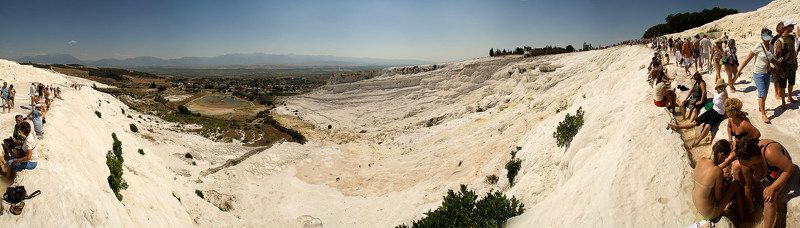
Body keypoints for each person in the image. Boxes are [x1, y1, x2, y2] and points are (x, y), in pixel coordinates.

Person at [732, 138, 795, 228]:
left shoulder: (770, 153)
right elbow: (747, 186)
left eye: (743, 162)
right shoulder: (746, 161)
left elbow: (790, 168)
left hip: (781, 170)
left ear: (751, 159)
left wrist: (772, 187)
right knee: (737, 167)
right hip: (765, 170)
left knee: (769, 198)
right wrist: (751, 209)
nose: (741, 163)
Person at [667, 79, 728, 148]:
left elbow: (727, 103)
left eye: (722, 86)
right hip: (712, 109)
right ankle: (678, 127)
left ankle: (697, 142)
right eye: (720, 86)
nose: (722, 87)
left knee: (707, 126)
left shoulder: (724, 93)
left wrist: (727, 113)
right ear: (717, 87)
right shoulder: (717, 91)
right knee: (695, 122)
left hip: (719, 113)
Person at [693, 140, 739, 222]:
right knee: (735, 184)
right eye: (725, 157)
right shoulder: (718, 171)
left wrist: (722, 178)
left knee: (725, 173)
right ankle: (742, 218)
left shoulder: (702, 160)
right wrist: (725, 184)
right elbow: (718, 197)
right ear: (721, 155)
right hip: (709, 213)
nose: (725, 160)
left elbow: (707, 177)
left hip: (697, 205)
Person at [737, 28, 777, 123]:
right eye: (765, 38)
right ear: (762, 37)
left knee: (765, 93)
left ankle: (760, 107)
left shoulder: (771, 47)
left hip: (767, 73)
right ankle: (763, 114)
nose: (767, 40)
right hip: (758, 73)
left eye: (768, 38)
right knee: (762, 93)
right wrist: (739, 70)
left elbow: (770, 59)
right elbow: (747, 59)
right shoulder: (758, 46)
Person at [774, 20, 797, 105]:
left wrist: (795, 62)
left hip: (792, 64)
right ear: (787, 27)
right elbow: (778, 57)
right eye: (792, 26)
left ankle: (789, 97)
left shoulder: (791, 37)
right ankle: (783, 102)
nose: (793, 28)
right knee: (783, 85)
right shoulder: (779, 41)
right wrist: (780, 70)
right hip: (784, 66)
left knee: (791, 82)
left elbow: (793, 51)